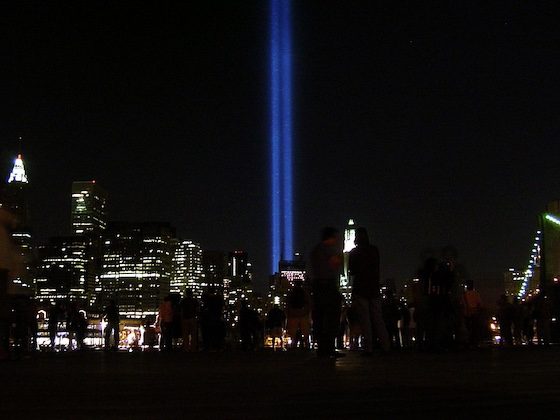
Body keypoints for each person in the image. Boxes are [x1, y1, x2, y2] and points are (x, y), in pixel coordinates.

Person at [348, 227, 390, 355]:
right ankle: (385, 346)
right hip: (373, 288)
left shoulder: (354, 252)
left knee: (365, 319)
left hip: (361, 288)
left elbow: (352, 271)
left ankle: (369, 347)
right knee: (378, 318)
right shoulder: (374, 250)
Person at [310, 227, 344, 358]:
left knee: (319, 318)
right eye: (335, 237)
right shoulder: (329, 250)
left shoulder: (315, 250)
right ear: (331, 237)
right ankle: (329, 349)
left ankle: (322, 349)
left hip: (318, 286)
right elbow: (336, 264)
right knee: (331, 318)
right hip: (328, 286)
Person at [285, 280, 312, 349]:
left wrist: (288, 312)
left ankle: (293, 344)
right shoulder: (304, 292)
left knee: (293, 332)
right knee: (305, 331)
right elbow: (308, 303)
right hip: (303, 313)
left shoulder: (291, 293)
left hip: (293, 314)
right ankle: (306, 344)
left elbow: (288, 303)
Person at [462, 280, 482, 348]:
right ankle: (474, 343)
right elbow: (479, 304)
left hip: (467, 313)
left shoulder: (464, 294)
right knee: (474, 329)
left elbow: (462, 304)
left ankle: (469, 342)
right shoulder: (476, 293)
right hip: (475, 313)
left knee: (468, 328)